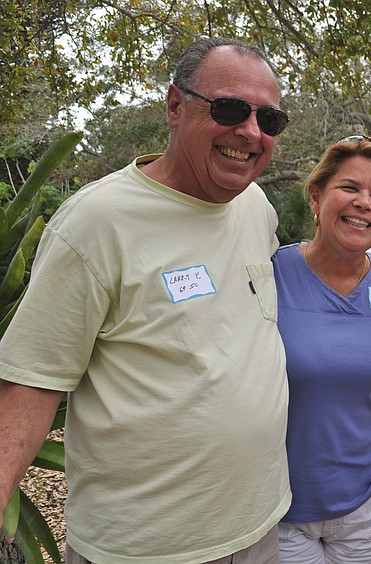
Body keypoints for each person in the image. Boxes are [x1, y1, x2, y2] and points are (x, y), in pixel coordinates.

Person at [0, 38, 293, 563]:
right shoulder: (96, 223)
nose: (250, 132)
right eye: (229, 109)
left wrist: (370, 264)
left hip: (258, 531)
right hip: (143, 549)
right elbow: (31, 383)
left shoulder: (256, 205)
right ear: (175, 107)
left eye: (269, 120)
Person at [273, 135, 371, 563]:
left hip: (369, 500)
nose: (363, 203)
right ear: (316, 197)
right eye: (349, 188)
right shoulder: (269, 272)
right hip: (278, 505)